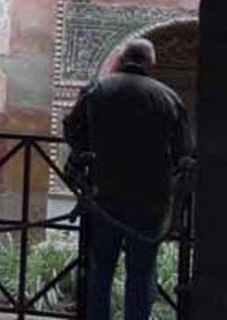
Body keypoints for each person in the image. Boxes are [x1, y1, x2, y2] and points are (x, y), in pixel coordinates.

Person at [63, 38, 193, 320]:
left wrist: (86, 154)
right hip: (150, 199)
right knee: (142, 272)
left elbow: (72, 130)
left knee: (100, 272)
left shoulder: (97, 90)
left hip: (104, 197)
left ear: (122, 60)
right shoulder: (169, 97)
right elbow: (185, 152)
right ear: (151, 64)